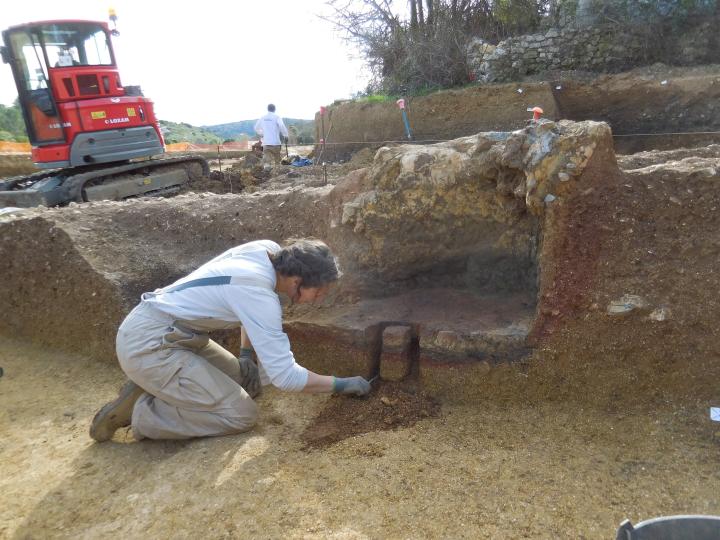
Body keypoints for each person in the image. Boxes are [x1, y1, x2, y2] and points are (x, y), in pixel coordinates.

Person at [89, 238, 371, 442]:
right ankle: (142, 413)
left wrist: (246, 356)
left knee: (247, 381)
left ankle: (160, 385)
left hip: (176, 333)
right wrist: (341, 384)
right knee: (241, 414)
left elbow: (243, 307)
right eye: (318, 292)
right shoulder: (259, 295)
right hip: (150, 345)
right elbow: (286, 377)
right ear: (297, 281)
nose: (319, 298)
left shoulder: (266, 250)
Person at [254, 103, 289, 169]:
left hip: (266, 143)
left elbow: (256, 128)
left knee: (267, 161)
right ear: (274, 109)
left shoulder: (263, 117)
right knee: (277, 161)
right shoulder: (277, 117)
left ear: (267, 109)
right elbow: (281, 126)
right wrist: (285, 135)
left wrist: (262, 133)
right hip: (276, 143)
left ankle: (267, 174)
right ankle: (277, 173)